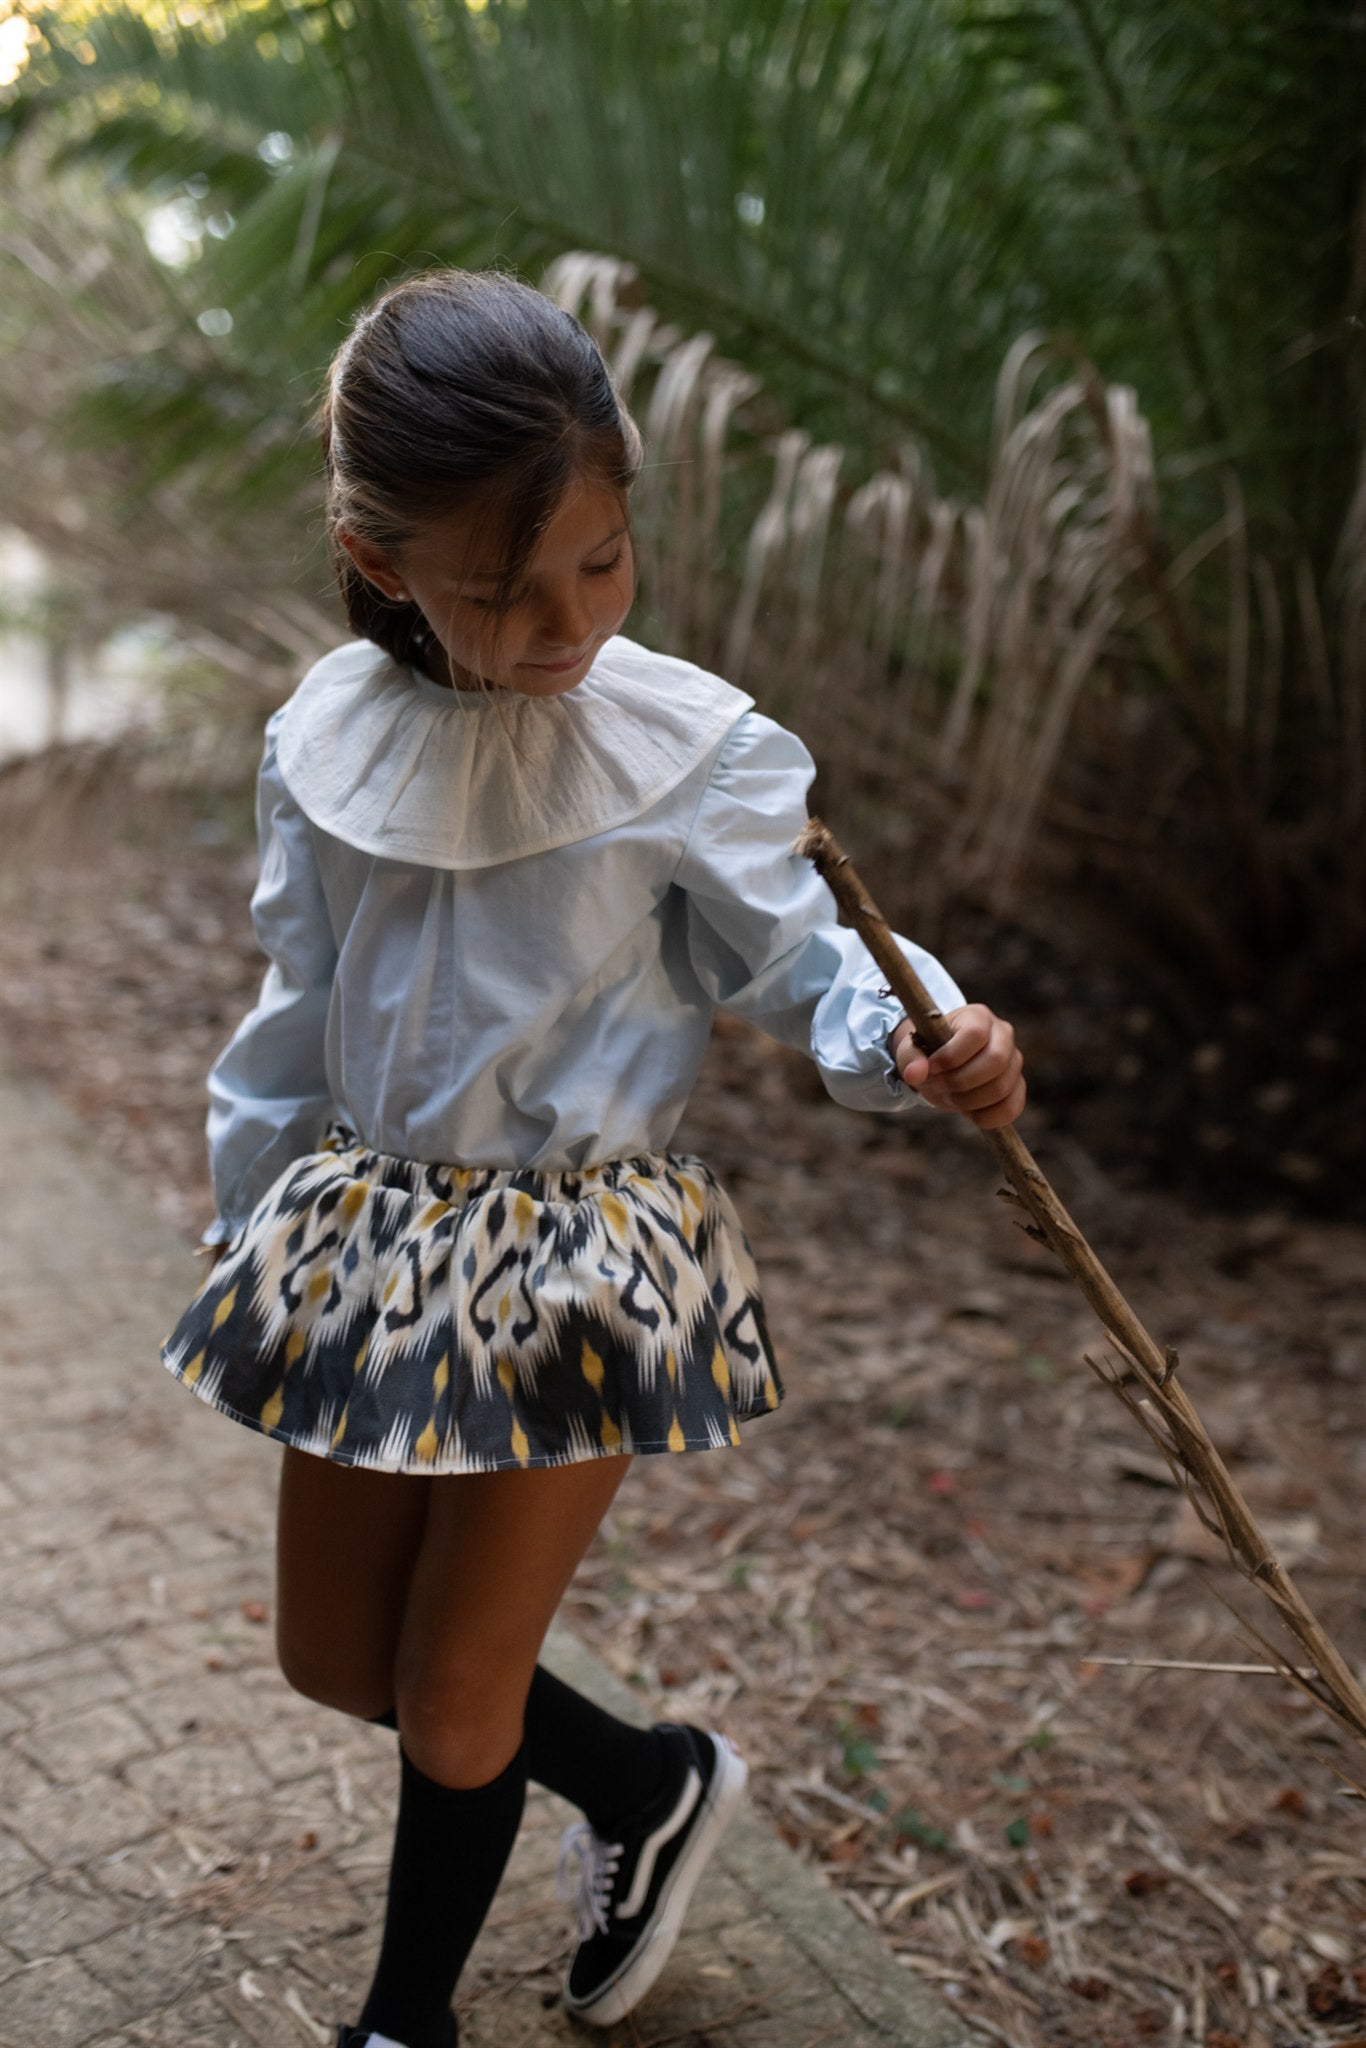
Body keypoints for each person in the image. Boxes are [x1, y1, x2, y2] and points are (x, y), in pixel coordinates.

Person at [161, 269, 1025, 2048]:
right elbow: (298, 1001)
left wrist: (922, 1031)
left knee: (452, 1694)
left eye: (603, 563)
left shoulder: (678, 747)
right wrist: (249, 1227)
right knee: (338, 1663)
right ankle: (644, 1786)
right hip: (367, 1239)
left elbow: (809, 953)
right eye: (503, 583)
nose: (565, 621)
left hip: (581, 1255)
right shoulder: (324, 736)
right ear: (384, 558)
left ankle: (402, 2026)